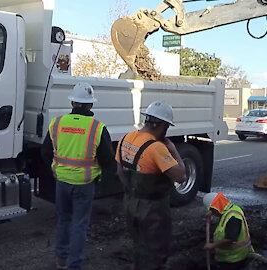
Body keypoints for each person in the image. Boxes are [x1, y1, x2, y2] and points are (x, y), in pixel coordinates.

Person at [41, 82, 117, 270]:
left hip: (62, 182)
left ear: (73, 102)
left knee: (64, 220)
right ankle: (74, 265)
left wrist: (53, 167)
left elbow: (45, 152)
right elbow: (108, 159)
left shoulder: (57, 123)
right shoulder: (97, 128)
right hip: (85, 183)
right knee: (79, 224)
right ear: (90, 105)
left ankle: (61, 259)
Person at [116, 100, 187, 270]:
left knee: (139, 245)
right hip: (153, 210)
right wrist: (173, 148)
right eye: (167, 127)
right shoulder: (156, 148)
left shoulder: (126, 138)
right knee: (156, 253)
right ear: (161, 125)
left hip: (130, 204)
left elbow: (119, 172)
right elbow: (181, 176)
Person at [203, 192, 251, 270]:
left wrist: (212, 245)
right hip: (229, 257)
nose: (214, 214)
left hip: (234, 259)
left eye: (213, 211)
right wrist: (211, 212)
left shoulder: (233, 218)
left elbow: (230, 239)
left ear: (216, 208)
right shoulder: (231, 209)